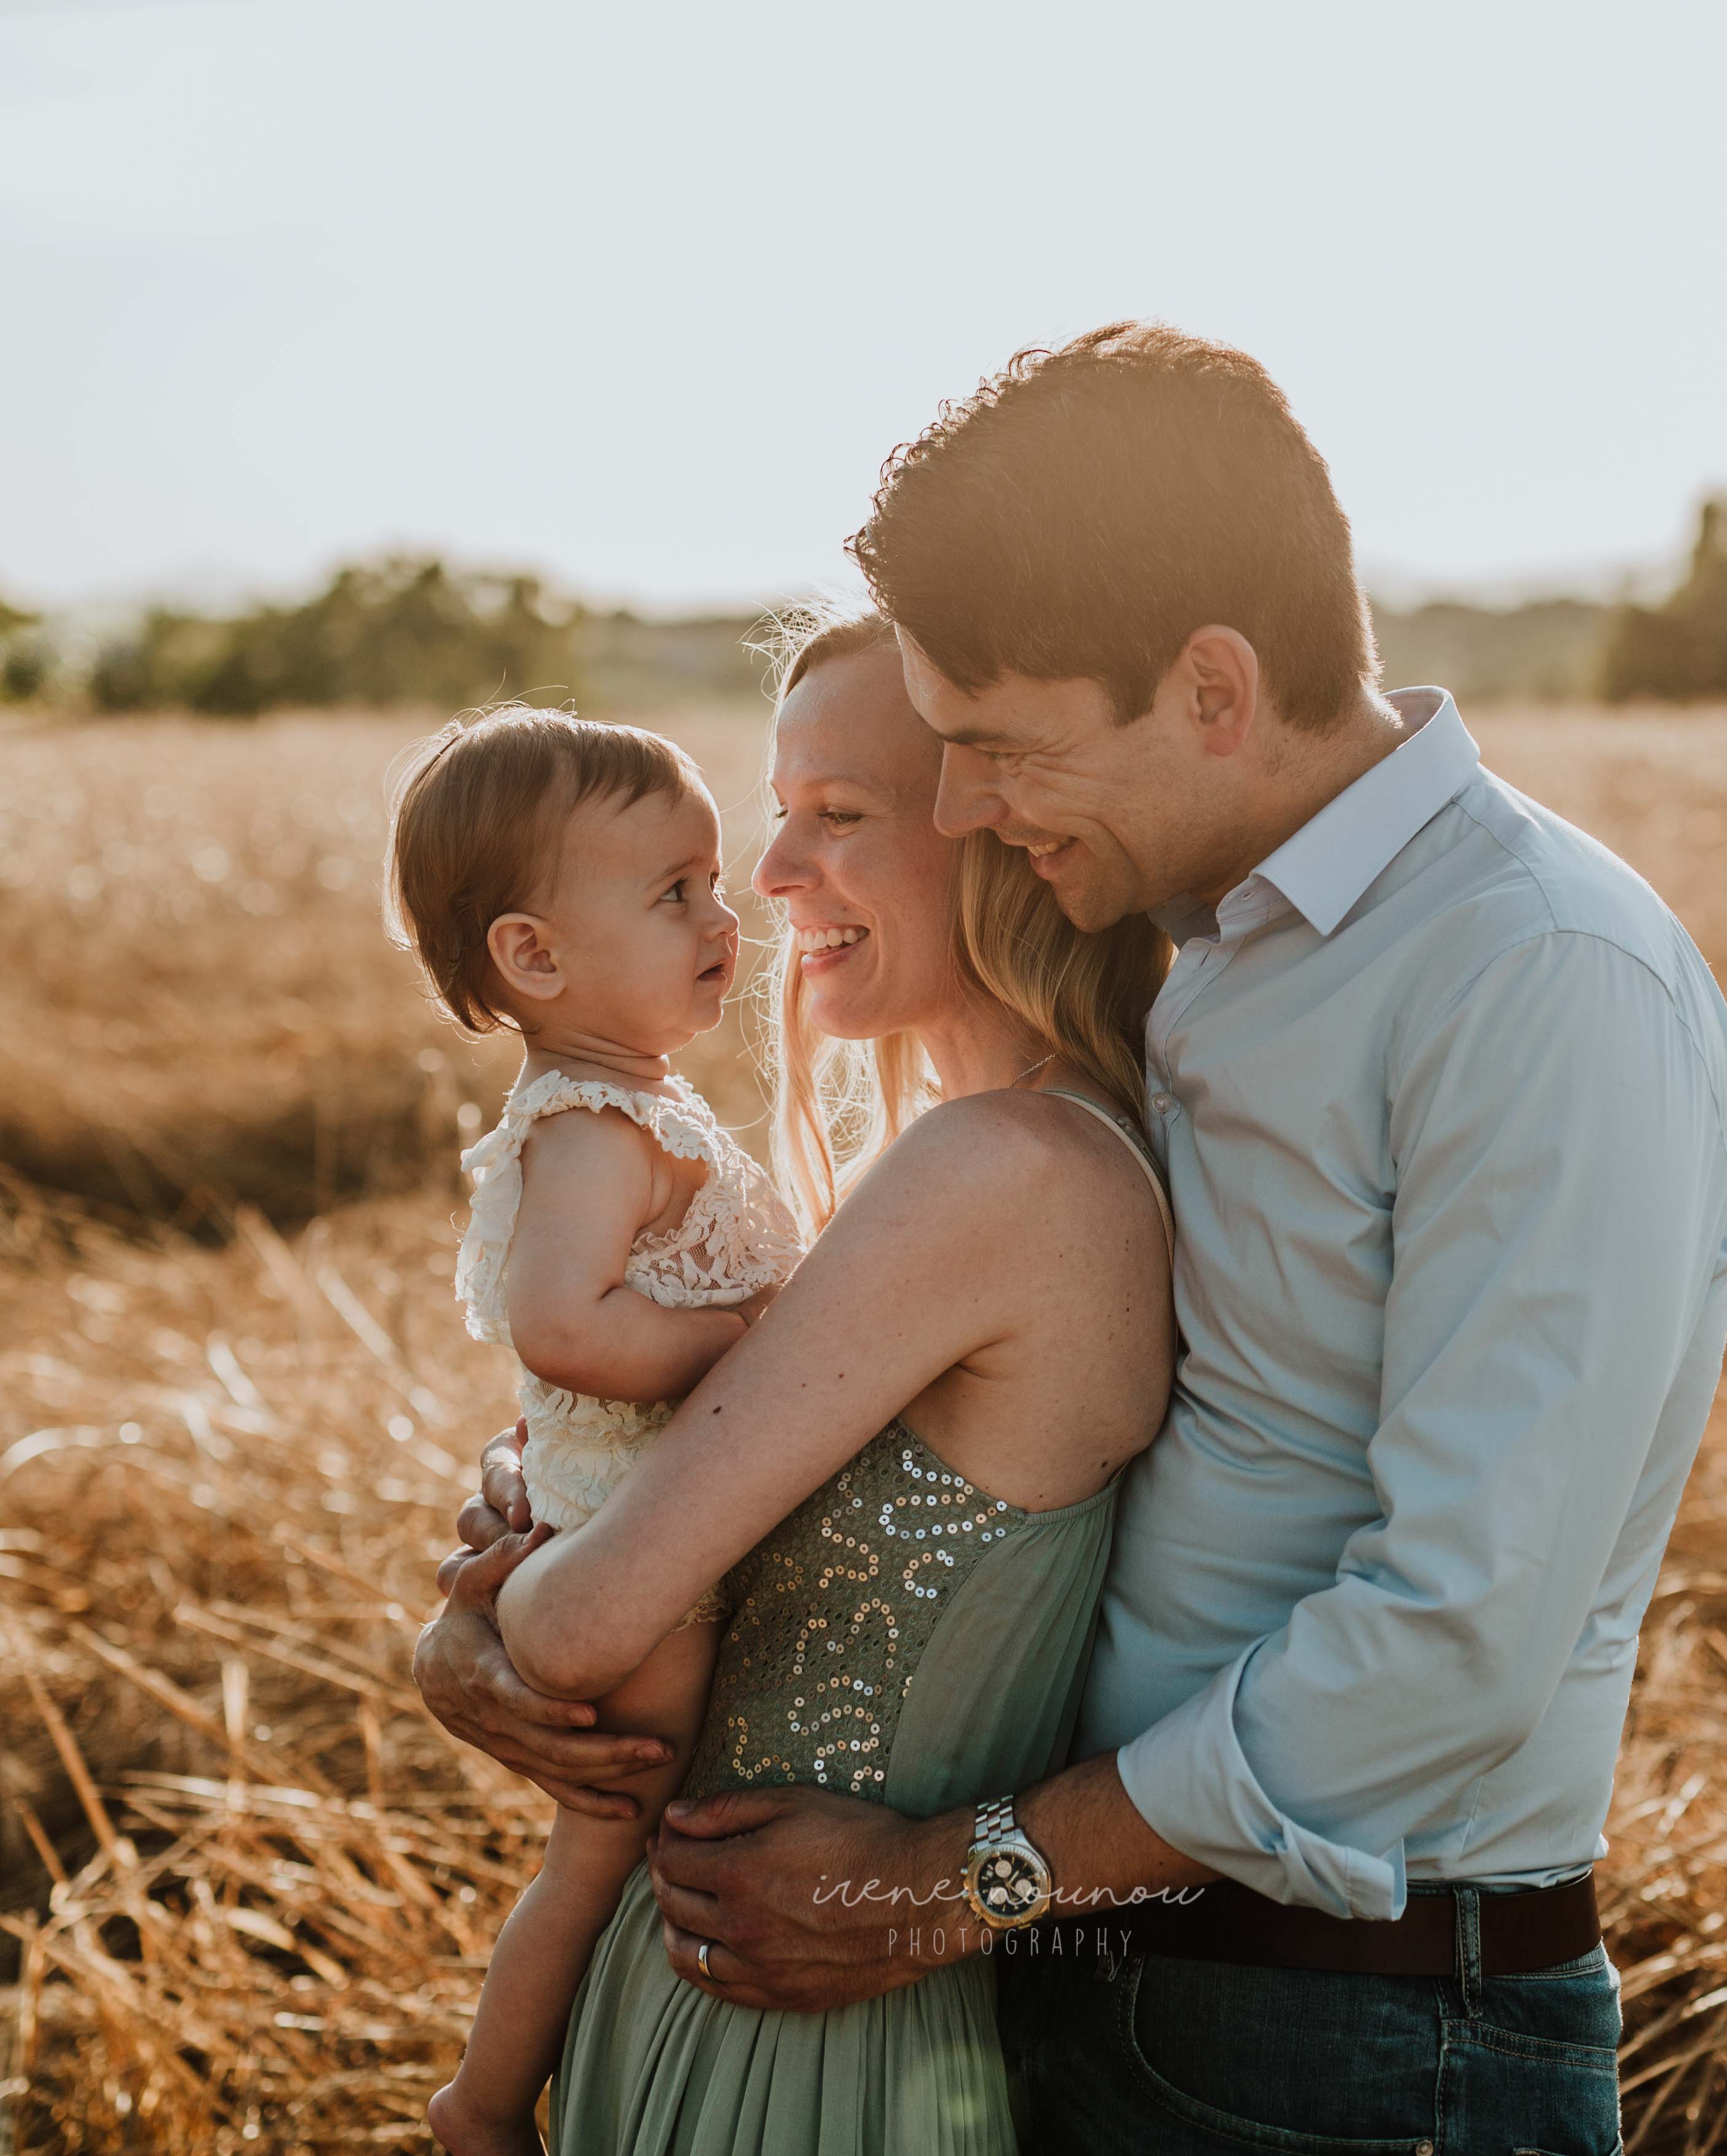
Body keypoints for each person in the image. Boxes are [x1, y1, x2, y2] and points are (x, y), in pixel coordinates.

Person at [424, 323, 1727, 2152]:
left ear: (1213, 686)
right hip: (1068, 1969)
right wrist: (498, 1619)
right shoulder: (1210, 961)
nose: (966, 803)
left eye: (990, 748)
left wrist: (946, 1875)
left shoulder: (1531, 976)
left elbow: (1457, 1633)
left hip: (1350, 2035)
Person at [419, 609, 1175, 2152]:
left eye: (837, 816)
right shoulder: (952, 1179)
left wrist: (489, 1619)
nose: (768, 882)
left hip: (801, 2030)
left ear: (1002, 838)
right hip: (762, 1975)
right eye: (776, 820)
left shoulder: (1002, 1174)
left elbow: (582, 1617)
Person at [379, 710, 807, 2156]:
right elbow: (559, 1325)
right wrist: (740, 1345)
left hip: (653, 1505)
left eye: (711, 876)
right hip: (632, 1528)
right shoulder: (586, 1124)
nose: (723, 908)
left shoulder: (639, 1102)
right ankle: (485, 2106)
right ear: (536, 956)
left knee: (627, 1835)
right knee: (608, 1835)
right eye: (671, 890)